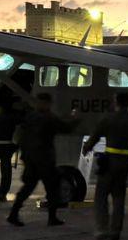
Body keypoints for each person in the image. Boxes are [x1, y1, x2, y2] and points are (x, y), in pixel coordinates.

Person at [82, 92, 128, 240]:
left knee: (101, 195)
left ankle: (102, 228)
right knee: (119, 196)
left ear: (116, 102)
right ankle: (115, 230)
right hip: (125, 162)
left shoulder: (108, 119)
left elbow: (95, 137)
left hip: (109, 161)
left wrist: (86, 148)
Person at [7, 93, 79, 227]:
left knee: (28, 188)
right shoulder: (48, 117)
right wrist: (75, 118)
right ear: (48, 103)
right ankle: (52, 218)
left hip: (31, 159)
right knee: (52, 188)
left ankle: (13, 214)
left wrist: (25, 156)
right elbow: (65, 128)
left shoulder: (30, 117)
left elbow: (22, 138)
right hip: (45, 159)